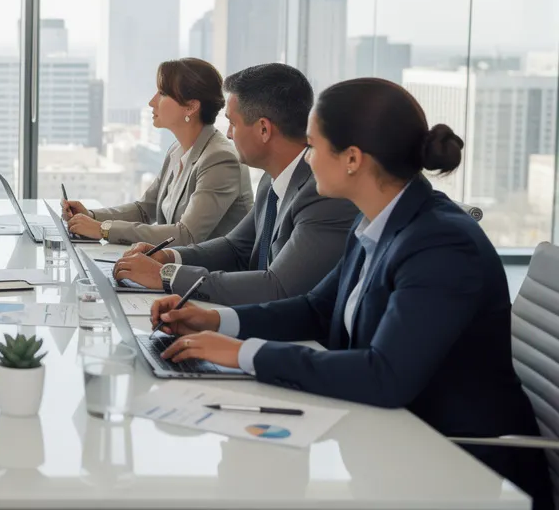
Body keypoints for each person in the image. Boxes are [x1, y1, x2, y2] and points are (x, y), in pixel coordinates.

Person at [151, 78, 553, 510]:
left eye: (312, 146)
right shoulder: (376, 223)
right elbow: (316, 309)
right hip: (393, 437)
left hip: (460, 466)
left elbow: (385, 375)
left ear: (353, 160)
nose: (306, 158)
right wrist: (215, 321)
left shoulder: (440, 243)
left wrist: (242, 353)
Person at [110, 63, 357, 304]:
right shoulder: (272, 180)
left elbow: (277, 287)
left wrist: (166, 276)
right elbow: (236, 247)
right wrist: (167, 257)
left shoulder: (321, 193)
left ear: (263, 129)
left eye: (233, 123)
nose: (228, 133)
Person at [62, 58, 252, 246]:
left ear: (191, 106)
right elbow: (145, 209)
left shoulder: (219, 159)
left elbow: (186, 236)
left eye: (162, 93)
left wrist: (103, 229)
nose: (152, 101)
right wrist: (90, 216)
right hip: (175, 266)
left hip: (211, 273)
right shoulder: (177, 150)